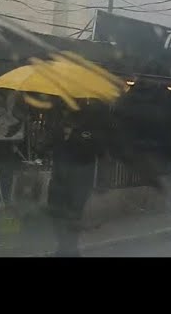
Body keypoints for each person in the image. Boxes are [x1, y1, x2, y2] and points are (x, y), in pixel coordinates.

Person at [46, 105, 100, 257]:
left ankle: (71, 249)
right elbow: (47, 147)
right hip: (58, 179)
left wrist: (72, 137)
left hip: (79, 181)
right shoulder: (58, 130)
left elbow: (92, 152)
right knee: (56, 214)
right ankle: (63, 247)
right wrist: (59, 139)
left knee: (73, 215)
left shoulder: (87, 131)